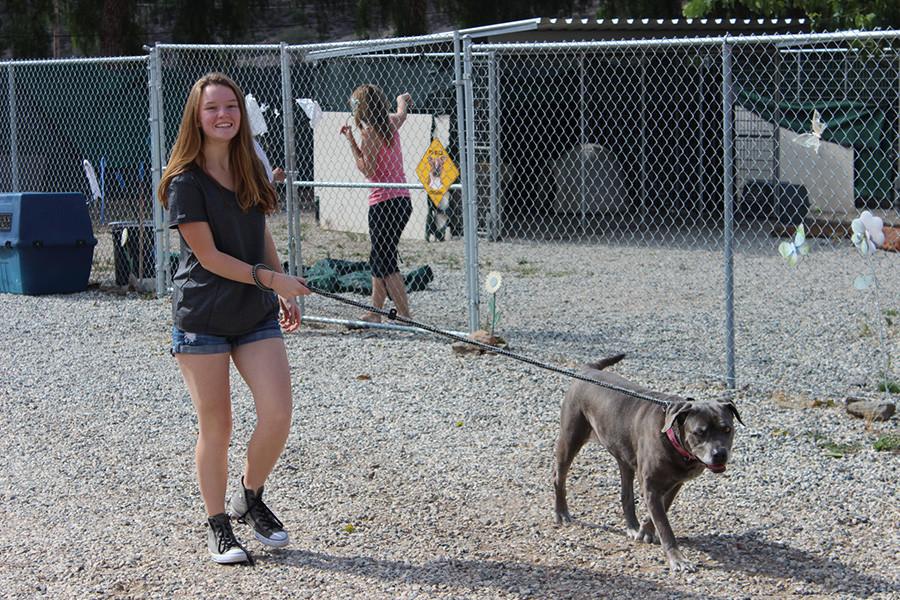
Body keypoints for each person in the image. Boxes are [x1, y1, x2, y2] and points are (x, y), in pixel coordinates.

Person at [157, 72, 310, 565]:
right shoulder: (184, 180)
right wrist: (272, 281)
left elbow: (259, 233)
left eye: (231, 107)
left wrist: (282, 285)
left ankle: (250, 495)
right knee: (216, 426)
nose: (223, 115)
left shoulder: (250, 166)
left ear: (240, 115)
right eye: (211, 108)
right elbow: (209, 256)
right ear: (196, 118)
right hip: (203, 313)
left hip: (253, 310)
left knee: (278, 414)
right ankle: (218, 524)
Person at [340, 84, 413, 323]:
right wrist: (401, 98)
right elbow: (401, 114)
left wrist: (352, 144)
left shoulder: (370, 132)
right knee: (379, 257)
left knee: (386, 259)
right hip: (401, 200)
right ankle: (376, 311)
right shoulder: (390, 123)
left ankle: (404, 315)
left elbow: (368, 170)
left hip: (383, 202)